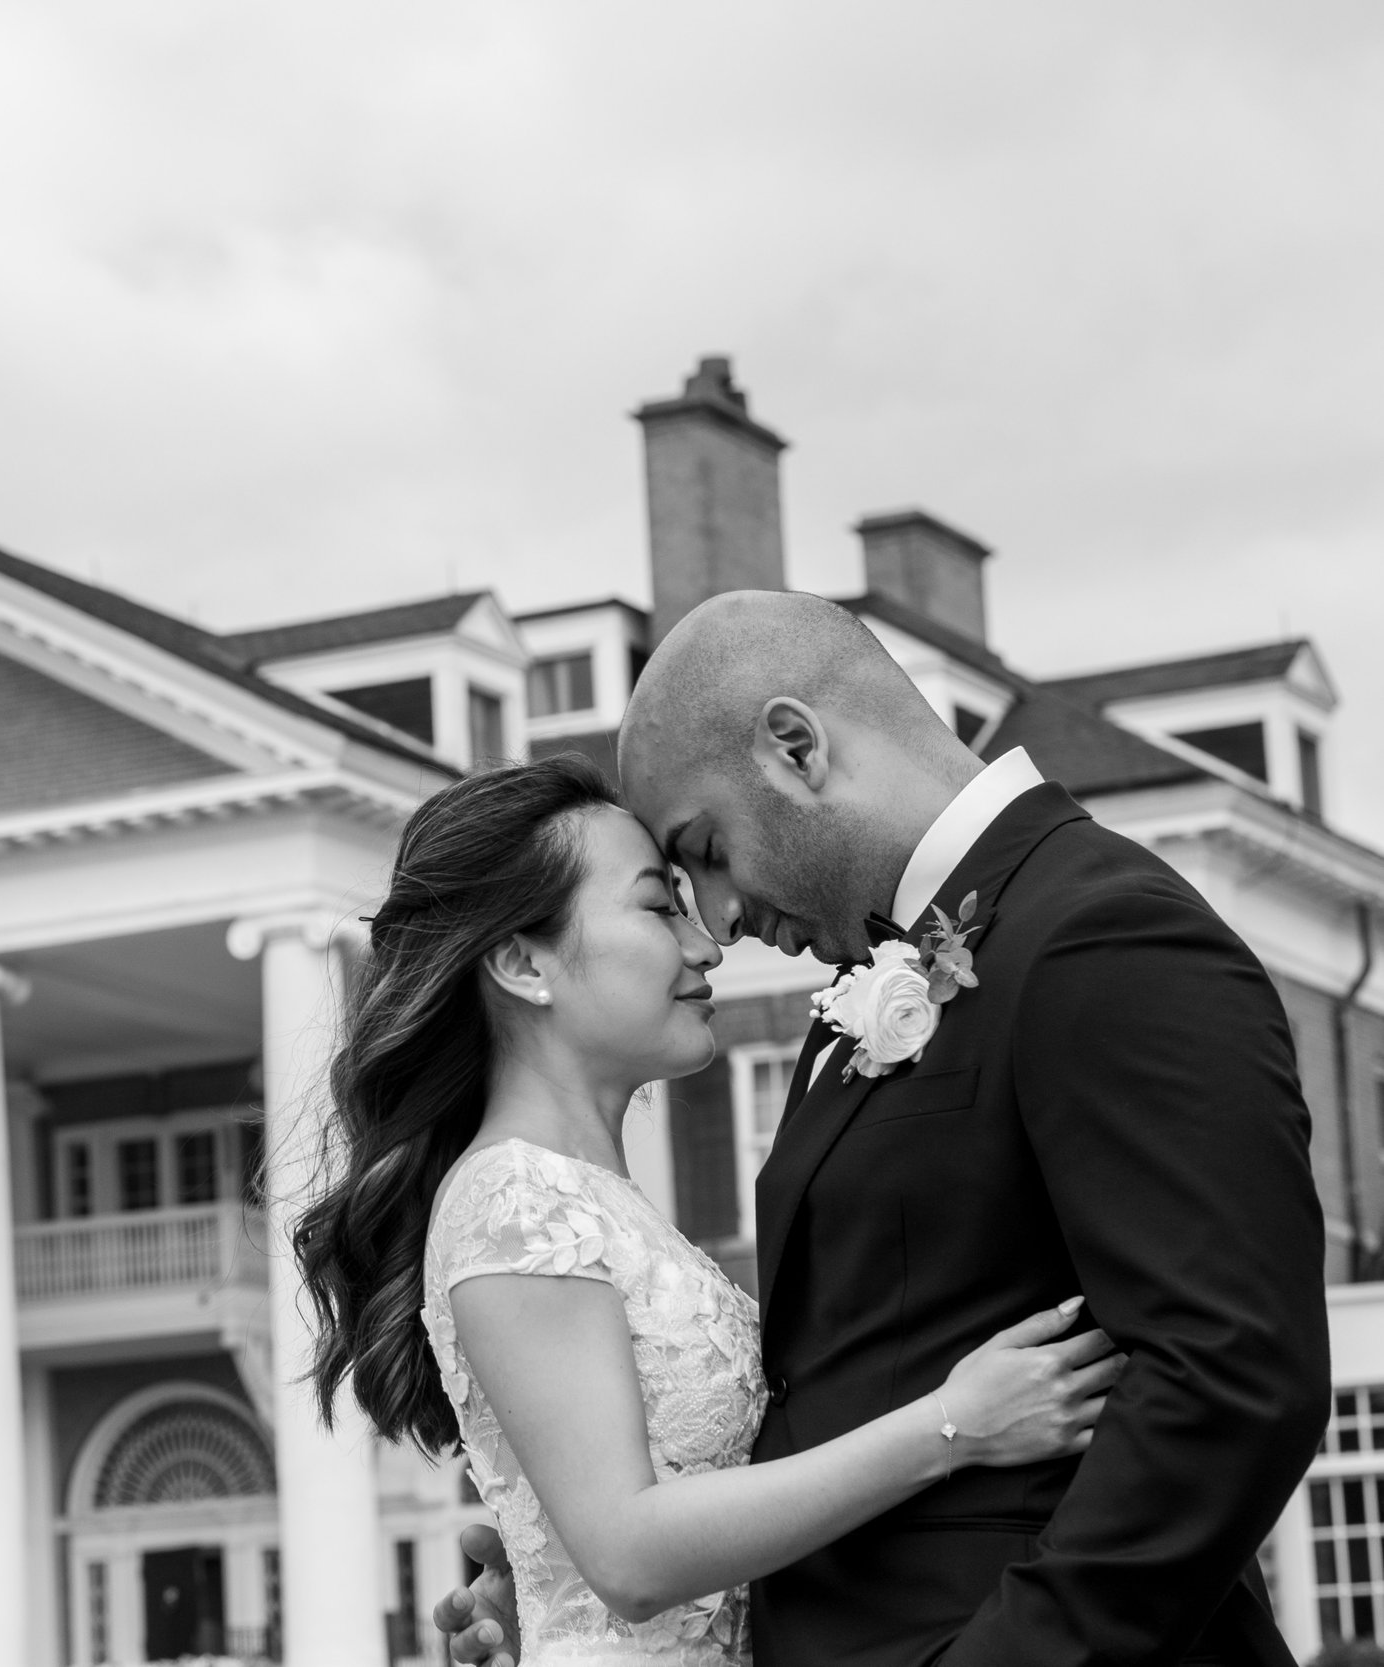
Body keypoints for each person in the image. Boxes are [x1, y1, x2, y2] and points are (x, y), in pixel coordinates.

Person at [421, 591, 1330, 1666]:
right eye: (671, 891)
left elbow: (1227, 1379)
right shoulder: (868, 985)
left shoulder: (1101, 932)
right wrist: (558, 1580)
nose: (718, 919)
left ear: (795, 746)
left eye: (704, 850)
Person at [297, 746, 1123, 1665]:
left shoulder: (596, 1202)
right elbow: (631, 1550)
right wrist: (951, 1425)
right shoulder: (515, 1200)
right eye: (658, 907)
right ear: (521, 961)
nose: (705, 945)